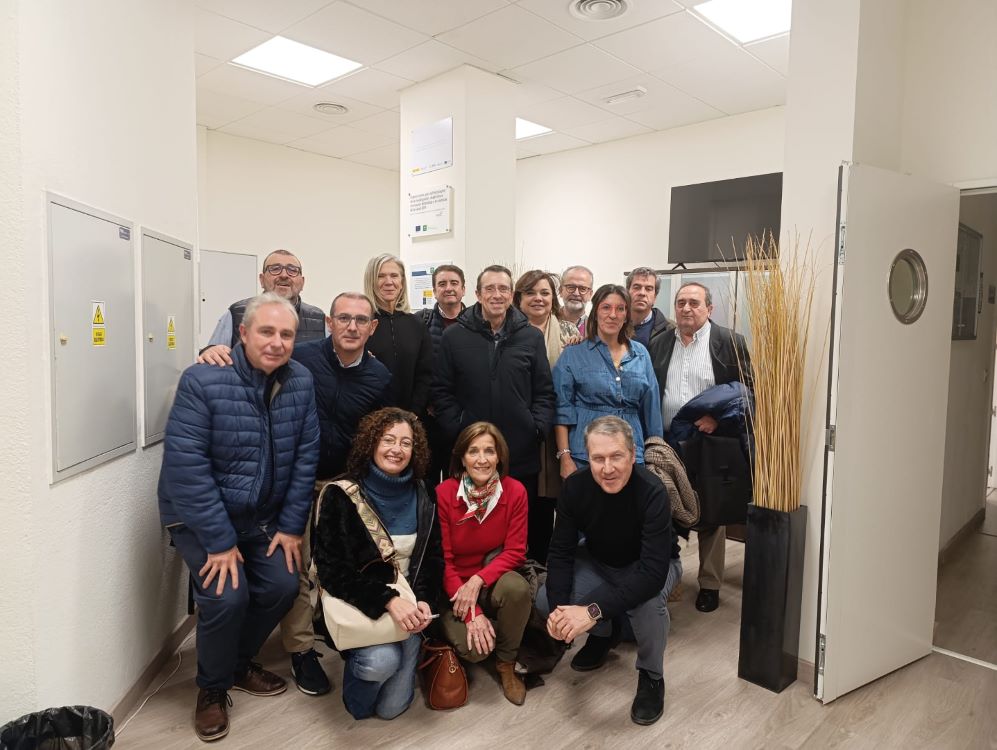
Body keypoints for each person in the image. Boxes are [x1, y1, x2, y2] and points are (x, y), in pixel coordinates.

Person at [158, 292, 320, 742]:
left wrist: (291, 527)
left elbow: (305, 456)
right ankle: (211, 688)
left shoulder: (301, 381)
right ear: (243, 334)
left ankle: (235, 664)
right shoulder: (203, 379)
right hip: (199, 517)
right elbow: (187, 468)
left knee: (282, 585)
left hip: (261, 517)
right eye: (266, 331)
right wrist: (219, 541)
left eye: (286, 334)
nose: (277, 342)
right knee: (227, 597)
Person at [281, 292, 393, 694]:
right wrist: (214, 352)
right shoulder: (300, 358)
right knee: (297, 565)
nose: (352, 326)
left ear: (372, 327)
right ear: (329, 322)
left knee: (334, 563)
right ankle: (301, 650)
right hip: (296, 479)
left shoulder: (380, 377)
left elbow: (378, 434)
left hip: (344, 483)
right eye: (343, 318)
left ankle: (330, 626)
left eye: (361, 320)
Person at [541, 416, 679, 726]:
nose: (607, 468)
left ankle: (651, 675)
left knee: (647, 604)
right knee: (544, 598)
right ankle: (604, 635)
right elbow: (560, 552)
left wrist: (591, 611)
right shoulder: (575, 487)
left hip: (651, 566)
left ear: (632, 454)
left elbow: (651, 575)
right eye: (598, 458)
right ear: (587, 458)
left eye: (616, 456)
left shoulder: (652, 491)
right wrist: (560, 613)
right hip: (601, 562)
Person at [312, 407, 443, 720]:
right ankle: (361, 670)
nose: (397, 449)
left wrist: (424, 600)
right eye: (388, 440)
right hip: (363, 604)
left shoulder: (424, 492)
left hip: (411, 609)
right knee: (382, 663)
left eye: (406, 443)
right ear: (371, 443)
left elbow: (432, 558)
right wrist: (388, 601)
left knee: (391, 709)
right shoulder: (341, 494)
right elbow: (332, 572)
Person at [649, 281, 752, 614]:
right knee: (664, 507)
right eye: (681, 303)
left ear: (709, 308)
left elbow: (747, 391)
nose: (686, 308)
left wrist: (717, 419)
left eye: (694, 303)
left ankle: (710, 583)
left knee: (711, 511)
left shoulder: (730, 342)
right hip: (667, 441)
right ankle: (670, 577)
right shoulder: (660, 342)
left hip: (708, 442)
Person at [432, 264, 556, 521]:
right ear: (478, 294)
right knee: (473, 525)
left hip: (520, 450)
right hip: (471, 452)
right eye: (490, 289)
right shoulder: (453, 336)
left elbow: (544, 391)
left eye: (503, 289)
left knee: (518, 525)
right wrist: (457, 427)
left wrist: (535, 428)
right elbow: (442, 390)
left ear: (511, 295)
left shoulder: (531, 337)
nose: (497, 295)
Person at [436, 422, 532, 705]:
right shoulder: (444, 494)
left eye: (489, 451)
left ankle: (506, 663)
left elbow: (515, 552)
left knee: (517, 588)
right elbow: (444, 561)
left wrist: (478, 581)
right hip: (454, 587)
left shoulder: (515, 491)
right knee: (477, 651)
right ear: (461, 458)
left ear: (499, 456)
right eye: (473, 451)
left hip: (490, 580)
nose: (482, 459)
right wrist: (472, 614)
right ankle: (451, 633)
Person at [553, 284, 663, 478]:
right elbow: (562, 410)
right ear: (595, 312)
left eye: (620, 309)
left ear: (626, 315)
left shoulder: (641, 354)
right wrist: (565, 457)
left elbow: (651, 409)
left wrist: (656, 457)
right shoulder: (573, 354)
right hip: (585, 456)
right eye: (606, 307)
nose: (613, 315)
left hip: (631, 455)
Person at [513, 269, 579, 564]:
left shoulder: (569, 332)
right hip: (519, 424)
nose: (538, 298)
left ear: (554, 298)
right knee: (521, 498)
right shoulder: (508, 331)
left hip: (556, 428)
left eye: (544, 293)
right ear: (519, 298)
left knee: (550, 498)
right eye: (530, 293)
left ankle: (544, 562)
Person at [199, 249, 326, 365]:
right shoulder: (236, 313)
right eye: (275, 269)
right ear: (262, 279)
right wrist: (209, 350)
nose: (284, 275)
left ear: (302, 282)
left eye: (292, 270)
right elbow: (212, 356)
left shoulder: (319, 319)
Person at [364, 253, 433, 417]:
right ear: (371, 281)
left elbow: (425, 374)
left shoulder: (417, 324)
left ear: (402, 282)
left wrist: (414, 413)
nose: (389, 282)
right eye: (381, 276)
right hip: (370, 418)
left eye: (394, 275)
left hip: (412, 418)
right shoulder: (361, 323)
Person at [419, 263, 466, 359]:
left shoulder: (478, 322)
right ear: (434, 292)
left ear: (463, 290)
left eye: (454, 283)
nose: (448, 288)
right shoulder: (420, 320)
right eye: (442, 284)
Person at [626, 266, 672, 348]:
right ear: (627, 292)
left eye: (648, 289)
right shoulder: (614, 323)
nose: (642, 293)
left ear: (655, 297)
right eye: (637, 287)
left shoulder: (670, 330)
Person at [558, 265, 595, 335]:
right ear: (560, 291)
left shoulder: (596, 329)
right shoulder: (546, 321)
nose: (576, 293)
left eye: (583, 289)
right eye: (571, 287)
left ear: (590, 294)